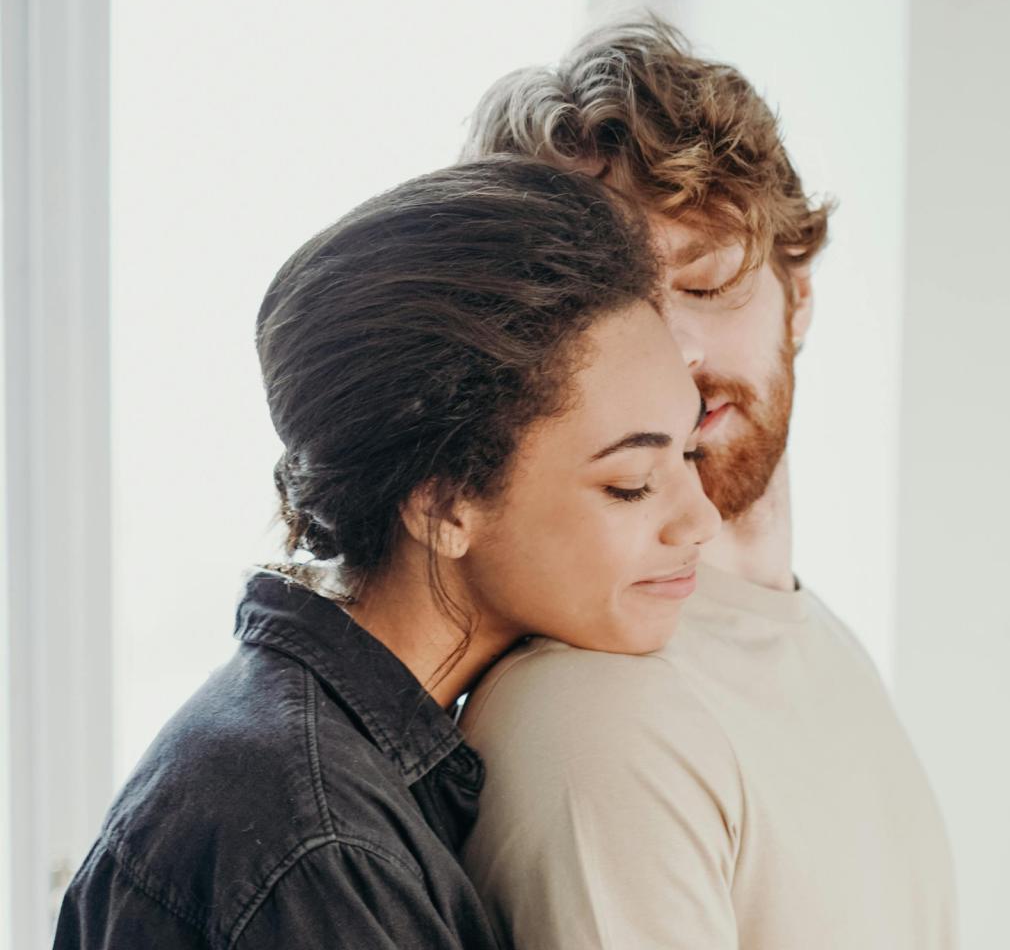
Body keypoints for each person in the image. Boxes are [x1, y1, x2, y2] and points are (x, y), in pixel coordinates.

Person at [52, 156, 720, 949]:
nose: (700, 520)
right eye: (634, 483)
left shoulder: (326, 765)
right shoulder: (319, 847)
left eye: (689, 453)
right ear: (443, 504)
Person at [457, 18, 958, 949]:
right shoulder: (599, 713)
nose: (673, 355)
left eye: (708, 284)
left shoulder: (821, 646)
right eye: (613, 311)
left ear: (797, 294)